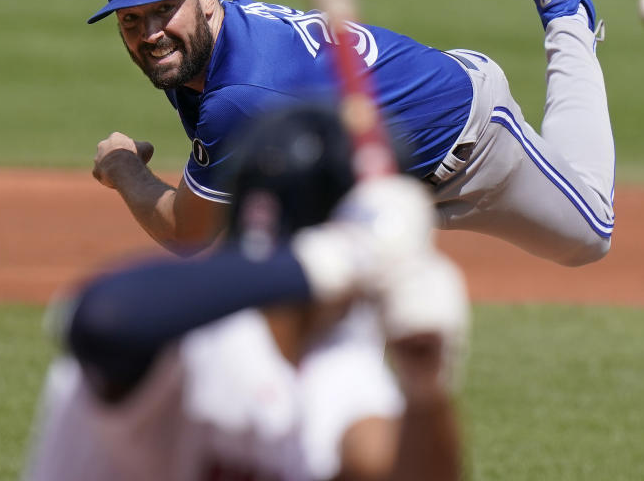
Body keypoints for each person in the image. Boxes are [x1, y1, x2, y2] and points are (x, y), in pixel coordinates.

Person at [89, 0, 615, 266]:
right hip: (362, 178)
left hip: (468, 141)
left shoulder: (239, 94)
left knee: (591, 236)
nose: (150, 32)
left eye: (163, 9)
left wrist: (122, 168)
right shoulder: (209, 45)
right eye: (131, 19)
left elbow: (187, 231)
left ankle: (566, 15)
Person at [23, 105, 468, 481]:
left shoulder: (337, 348)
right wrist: (337, 259)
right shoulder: (186, 328)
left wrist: (425, 387)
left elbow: (382, 462)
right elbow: (103, 320)